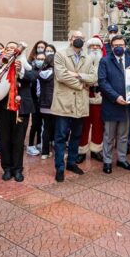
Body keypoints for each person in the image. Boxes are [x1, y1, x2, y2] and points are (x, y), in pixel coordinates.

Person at [51, 30, 98, 182]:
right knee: (60, 137)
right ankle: (59, 167)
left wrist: (78, 75)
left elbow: (93, 77)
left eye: (81, 38)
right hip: (64, 102)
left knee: (76, 136)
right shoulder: (60, 54)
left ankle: (71, 163)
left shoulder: (88, 57)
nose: (79, 40)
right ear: (70, 39)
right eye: (76, 37)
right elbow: (61, 75)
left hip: (81, 104)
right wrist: (80, 85)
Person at [98, 35, 130, 174]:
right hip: (111, 103)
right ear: (111, 47)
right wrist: (116, 97)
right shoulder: (105, 61)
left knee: (123, 135)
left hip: (127, 104)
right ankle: (107, 161)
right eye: (115, 45)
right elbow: (102, 82)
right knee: (109, 135)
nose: (118, 48)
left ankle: (121, 159)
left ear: (125, 46)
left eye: (121, 45)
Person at [0, 42, 28, 182]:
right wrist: (2, 65)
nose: (11, 50)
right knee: (4, 140)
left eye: (14, 48)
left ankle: (18, 169)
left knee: (18, 141)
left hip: (21, 109)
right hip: (3, 108)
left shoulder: (25, 64)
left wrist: (20, 71)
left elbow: (32, 77)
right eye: (8, 48)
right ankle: (7, 168)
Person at [77, 36, 105, 163]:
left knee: (98, 125)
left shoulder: (105, 62)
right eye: (92, 46)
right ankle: (81, 150)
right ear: (87, 48)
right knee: (83, 125)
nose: (94, 48)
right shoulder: (81, 61)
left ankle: (96, 150)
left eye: (97, 46)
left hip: (100, 97)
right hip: (84, 96)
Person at [27, 51, 48, 156]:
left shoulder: (47, 71)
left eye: (43, 59)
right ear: (35, 60)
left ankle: (39, 143)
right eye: (38, 59)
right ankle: (30, 145)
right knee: (35, 124)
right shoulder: (32, 71)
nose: (40, 61)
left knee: (41, 124)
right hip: (34, 101)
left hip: (44, 102)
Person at [38, 53, 56, 160]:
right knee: (58, 129)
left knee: (46, 128)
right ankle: (59, 152)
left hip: (43, 104)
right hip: (54, 104)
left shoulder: (40, 72)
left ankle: (45, 152)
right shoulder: (55, 73)